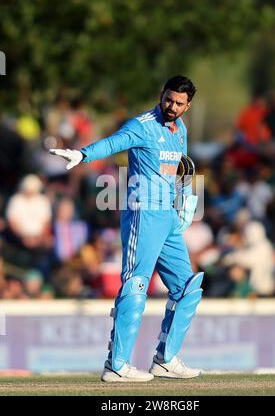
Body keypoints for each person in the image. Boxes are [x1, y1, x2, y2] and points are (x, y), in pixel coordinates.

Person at [50, 76, 203, 382]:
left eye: (178, 103)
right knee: (135, 284)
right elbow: (113, 142)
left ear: (188, 106)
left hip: (168, 217)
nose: (171, 106)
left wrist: (185, 200)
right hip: (142, 213)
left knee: (188, 286)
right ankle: (116, 365)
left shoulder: (181, 129)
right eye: (168, 99)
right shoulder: (142, 125)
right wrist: (82, 154)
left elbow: (183, 166)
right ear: (161, 95)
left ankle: (165, 359)